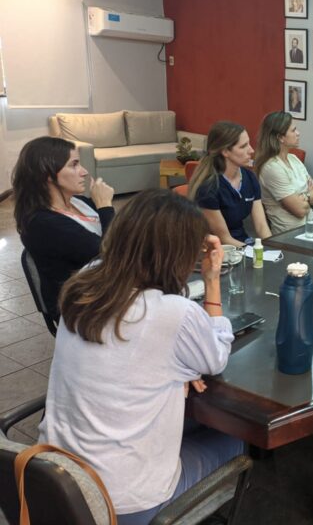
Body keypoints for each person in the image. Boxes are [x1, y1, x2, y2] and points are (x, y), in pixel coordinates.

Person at [39, 189, 243, 524]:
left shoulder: (85, 282)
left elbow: (127, 350)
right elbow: (216, 358)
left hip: (56, 477)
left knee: (188, 420)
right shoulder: (172, 314)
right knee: (234, 438)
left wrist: (176, 362)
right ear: (178, 254)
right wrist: (212, 280)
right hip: (126, 502)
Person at [12, 136, 115, 322]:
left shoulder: (80, 202)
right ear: (47, 175)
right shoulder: (42, 223)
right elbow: (110, 255)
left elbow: (121, 239)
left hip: (107, 287)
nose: (84, 172)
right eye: (74, 164)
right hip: (82, 308)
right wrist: (105, 207)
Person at [188, 121, 272, 247]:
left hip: (243, 242)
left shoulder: (249, 177)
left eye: (249, 144)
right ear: (225, 152)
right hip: (220, 250)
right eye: (243, 146)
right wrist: (257, 253)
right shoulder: (208, 188)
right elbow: (224, 239)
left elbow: (261, 226)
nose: (251, 150)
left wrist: (274, 248)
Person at [255, 111, 313, 234]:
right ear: (280, 137)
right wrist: (308, 195)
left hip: (310, 228)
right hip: (289, 235)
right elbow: (300, 210)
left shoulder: (294, 159)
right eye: (293, 130)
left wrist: (304, 197)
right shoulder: (272, 167)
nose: (298, 133)